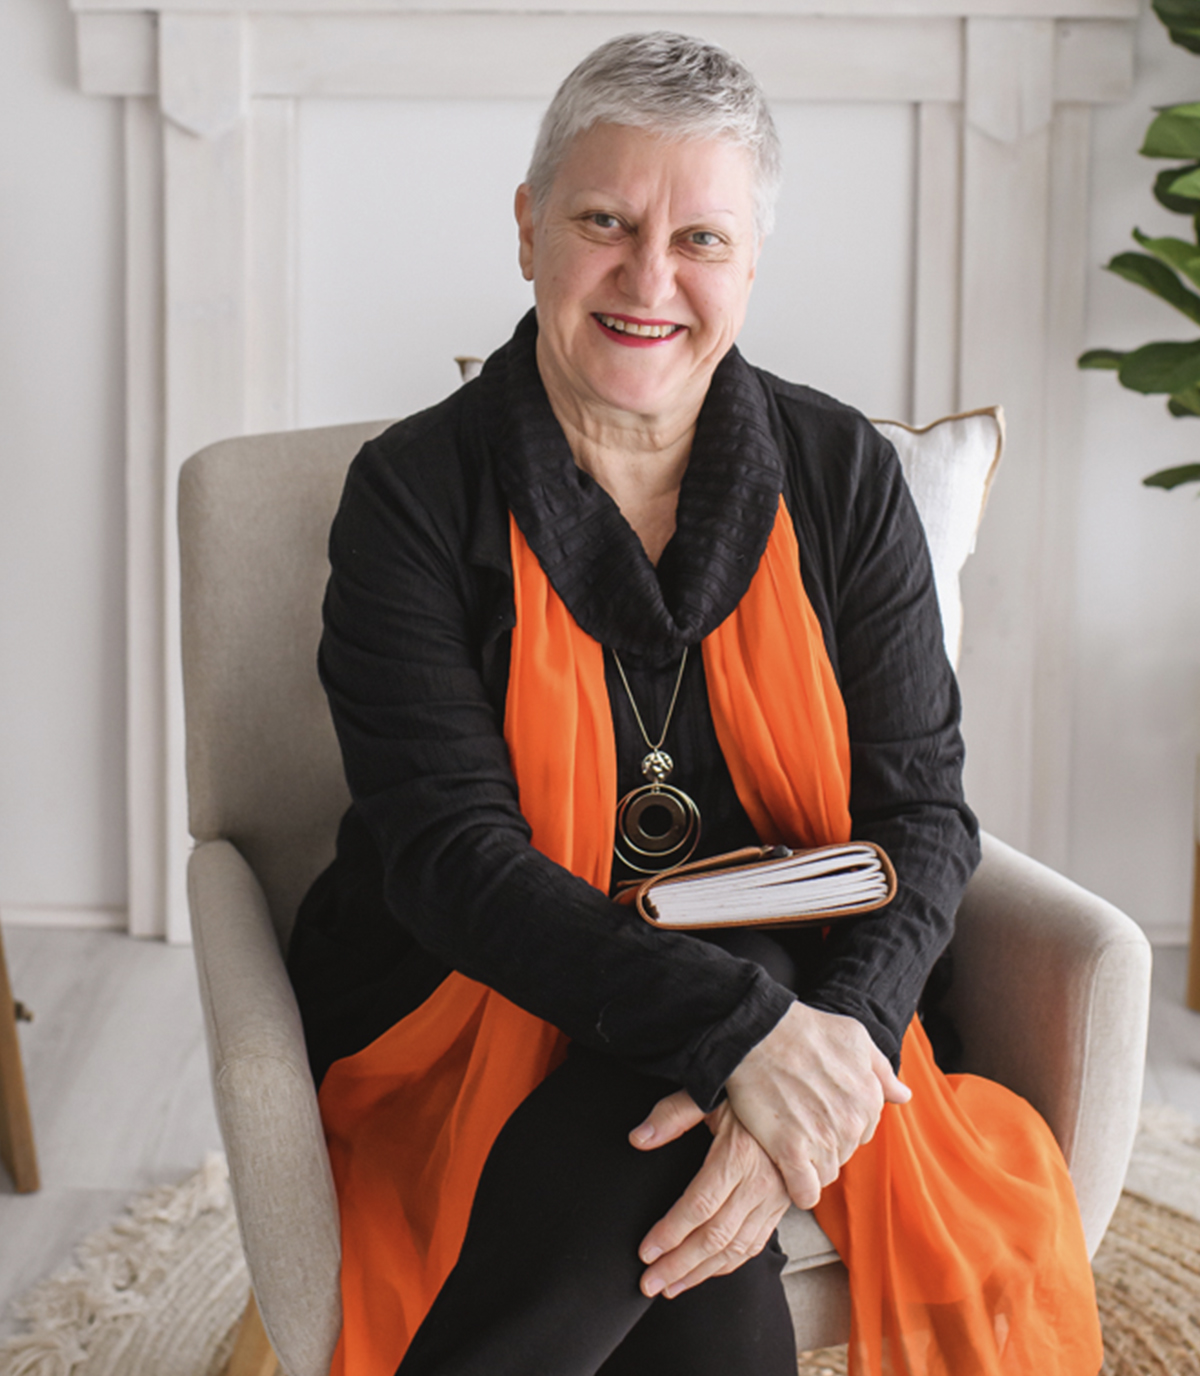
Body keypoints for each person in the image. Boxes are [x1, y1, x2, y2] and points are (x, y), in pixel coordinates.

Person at [287, 31, 1102, 1376]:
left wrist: (827, 1046)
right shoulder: (413, 497)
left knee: (746, 994)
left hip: (807, 980)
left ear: (752, 262)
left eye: (701, 240)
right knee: (716, 1038)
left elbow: (924, 818)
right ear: (527, 226)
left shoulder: (840, 475)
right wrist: (745, 1040)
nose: (648, 279)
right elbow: (451, 861)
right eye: (605, 221)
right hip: (472, 990)